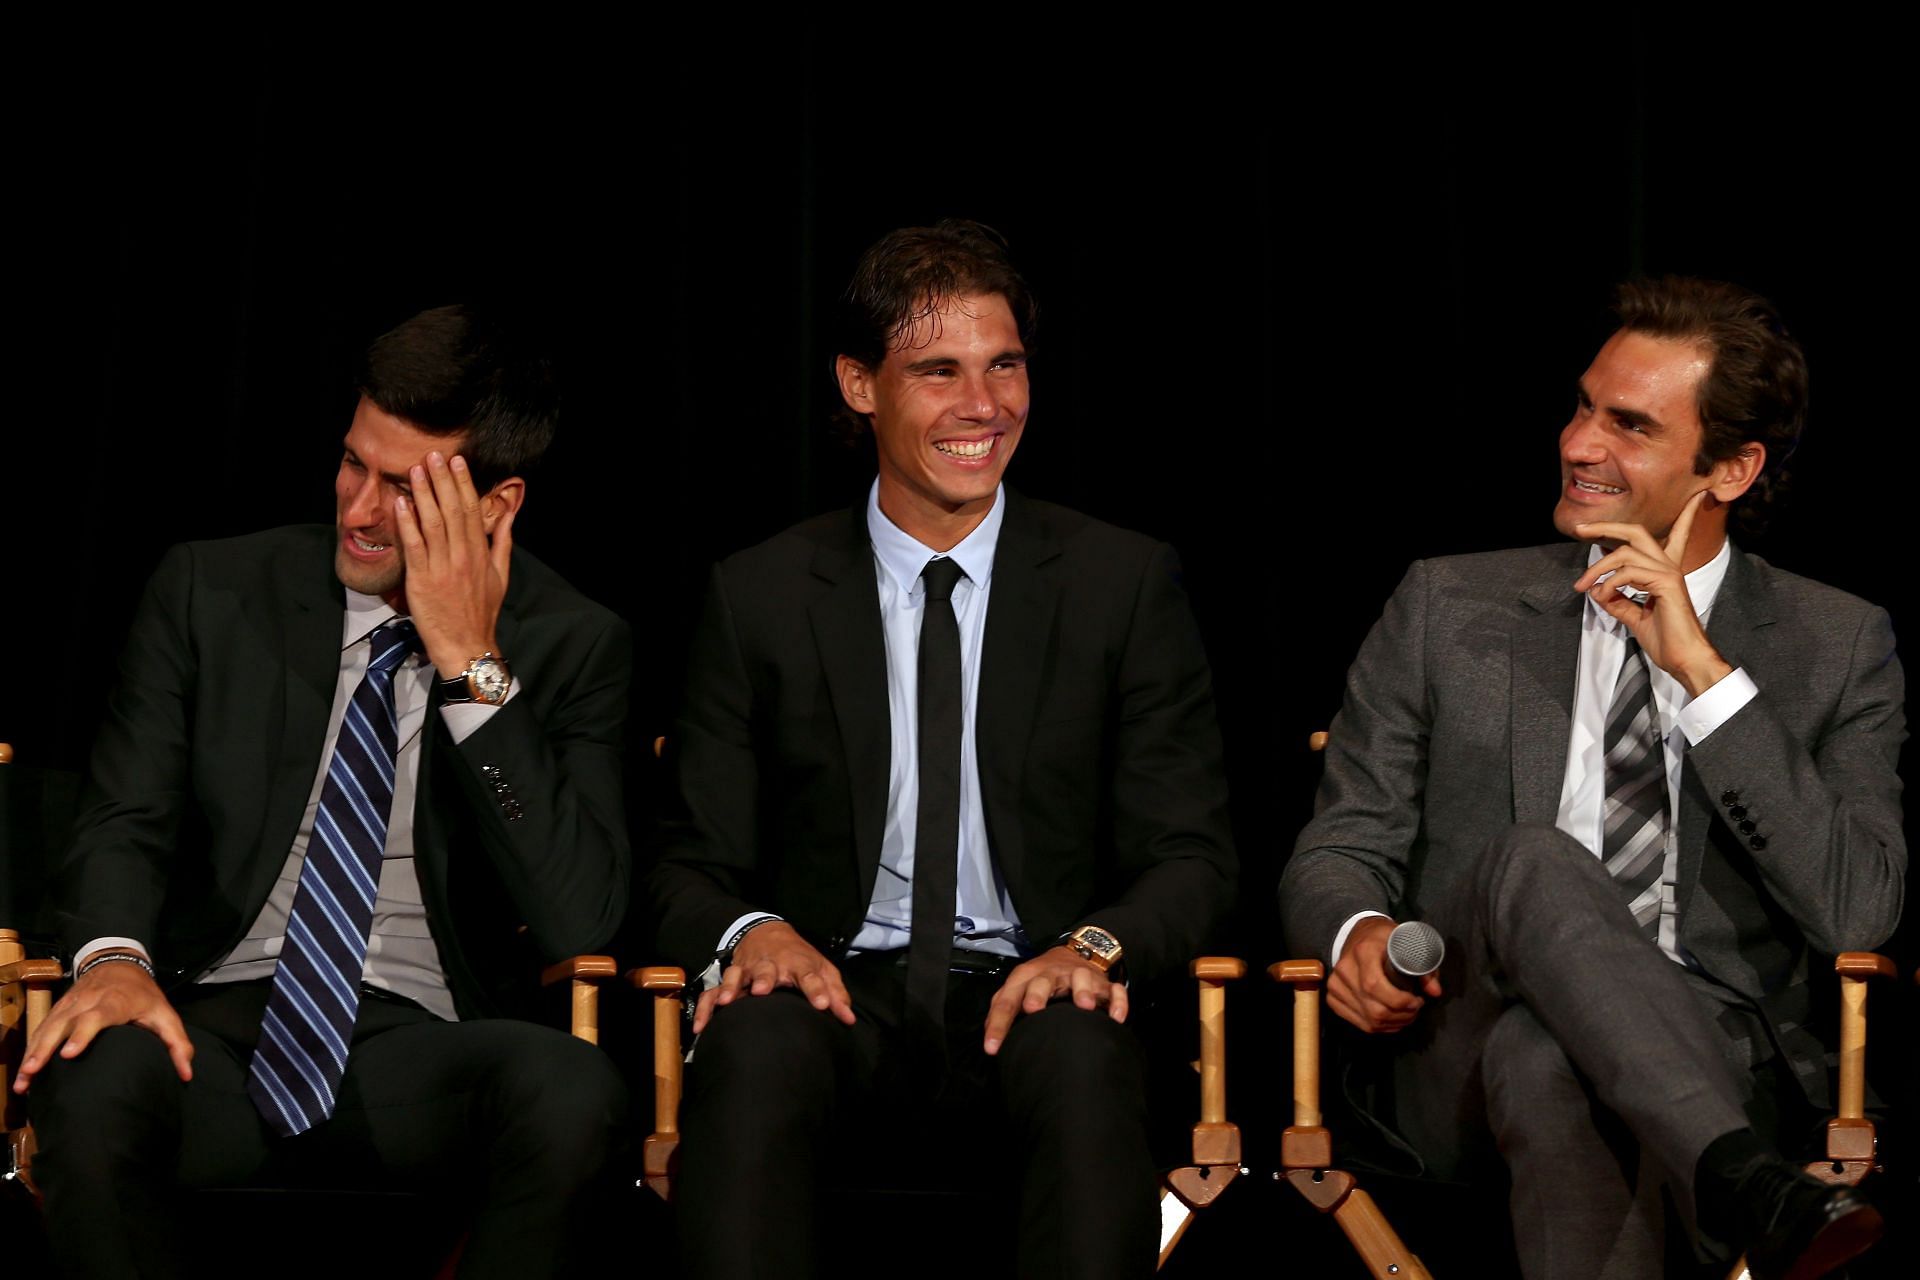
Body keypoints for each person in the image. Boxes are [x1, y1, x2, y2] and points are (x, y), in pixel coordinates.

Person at [645, 219, 1237, 1277]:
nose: (985, 405)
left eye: (1004, 364)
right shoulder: (761, 593)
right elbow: (685, 856)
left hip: (1036, 982)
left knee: (1088, 1053)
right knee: (755, 1040)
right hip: (834, 987)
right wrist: (753, 929)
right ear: (858, 384)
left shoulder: (1121, 583)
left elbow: (1192, 854)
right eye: (940, 370)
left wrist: (1095, 946)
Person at [1281, 277, 1901, 1278]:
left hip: (1714, 1055)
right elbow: (1342, 845)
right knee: (1533, 860)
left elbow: (1856, 907)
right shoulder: (1447, 605)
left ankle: (1724, 1152)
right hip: (1457, 1047)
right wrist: (1357, 936)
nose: (1577, 443)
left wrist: (1703, 673)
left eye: (1630, 425)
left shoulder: (1836, 643)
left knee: (1551, 1057)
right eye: (1582, 405)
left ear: (1732, 468)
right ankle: (1743, 1177)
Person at [16, 305, 632, 1278]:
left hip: (422, 1043)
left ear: (496, 506)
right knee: (91, 1067)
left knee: (570, 1087)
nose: (357, 508)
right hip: (210, 1025)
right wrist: (116, 959)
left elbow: (577, 917)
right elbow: (122, 820)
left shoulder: (570, 641)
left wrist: (472, 664)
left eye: (404, 490)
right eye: (355, 464)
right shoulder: (209, 591)